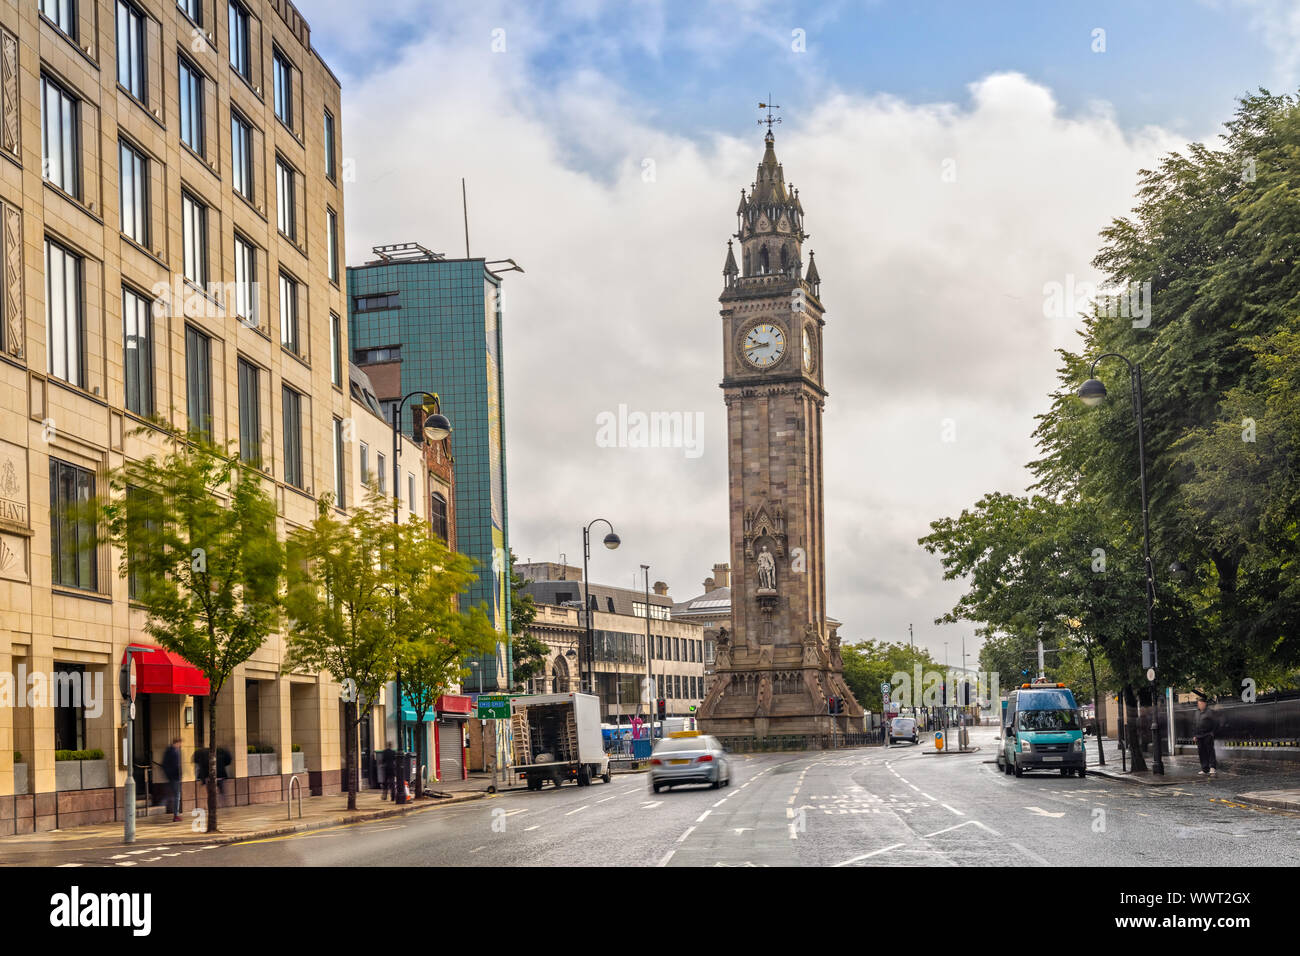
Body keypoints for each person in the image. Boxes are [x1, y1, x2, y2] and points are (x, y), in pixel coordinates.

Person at [1194, 698, 1219, 775]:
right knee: (1201, 752)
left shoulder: (1209, 712)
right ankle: (1205, 769)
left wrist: (1212, 733)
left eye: (1200, 704)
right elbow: (1195, 724)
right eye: (1198, 704)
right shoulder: (1197, 712)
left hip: (1207, 735)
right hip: (1199, 736)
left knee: (1210, 751)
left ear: (1204, 704)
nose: (1199, 705)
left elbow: (1215, 723)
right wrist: (1194, 735)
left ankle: (1212, 767)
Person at [162, 738, 183, 822]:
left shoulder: (173, 751)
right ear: (177, 743)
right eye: (180, 743)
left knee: (175, 795)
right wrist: (172, 774)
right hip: (174, 777)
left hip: (174, 776)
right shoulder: (171, 751)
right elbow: (167, 764)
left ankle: (175, 814)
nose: (181, 745)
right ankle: (176, 815)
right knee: (177, 796)